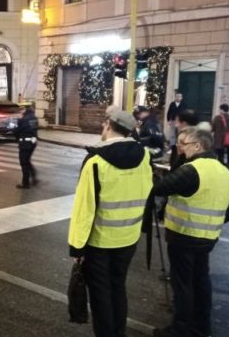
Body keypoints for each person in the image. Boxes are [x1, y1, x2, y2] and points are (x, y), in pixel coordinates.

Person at [151, 128, 229, 337]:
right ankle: (201, 328)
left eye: (184, 145)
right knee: (201, 281)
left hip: (184, 235)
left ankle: (180, 330)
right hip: (207, 237)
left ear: (198, 146)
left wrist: (172, 163)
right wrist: (220, 218)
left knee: (182, 284)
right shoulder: (225, 170)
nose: (180, 148)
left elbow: (159, 188)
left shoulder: (191, 170)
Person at [68, 110, 153, 337]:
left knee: (100, 295)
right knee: (118, 287)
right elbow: (147, 191)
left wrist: (77, 247)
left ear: (107, 126)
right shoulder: (144, 156)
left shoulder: (95, 161)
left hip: (100, 242)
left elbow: (84, 209)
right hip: (129, 238)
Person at [13, 102, 38, 188]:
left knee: (24, 163)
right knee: (27, 161)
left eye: (21, 109)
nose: (20, 111)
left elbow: (17, 131)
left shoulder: (23, 119)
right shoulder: (33, 117)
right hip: (32, 142)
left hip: (25, 144)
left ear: (24, 109)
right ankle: (34, 177)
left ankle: (25, 183)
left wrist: (17, 123)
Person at [211, 103, 229, 168]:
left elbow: (213, 128)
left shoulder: (217, 118)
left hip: (219, 139)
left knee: (220, 153)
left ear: (221, 110)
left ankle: (221, 165)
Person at [166, 93, 187, 157]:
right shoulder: (172, 104)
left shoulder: (184, 104)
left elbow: (185, 113)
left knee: (179, 134)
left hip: (180, 122)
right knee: (172, 134)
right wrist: (168, 120)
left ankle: (179, 148)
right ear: (175, 97)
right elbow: (169, 112)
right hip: (172, 121)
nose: (178, 98)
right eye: (177, 96)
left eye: (180, 96)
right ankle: (172, 148)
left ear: (182, 98)